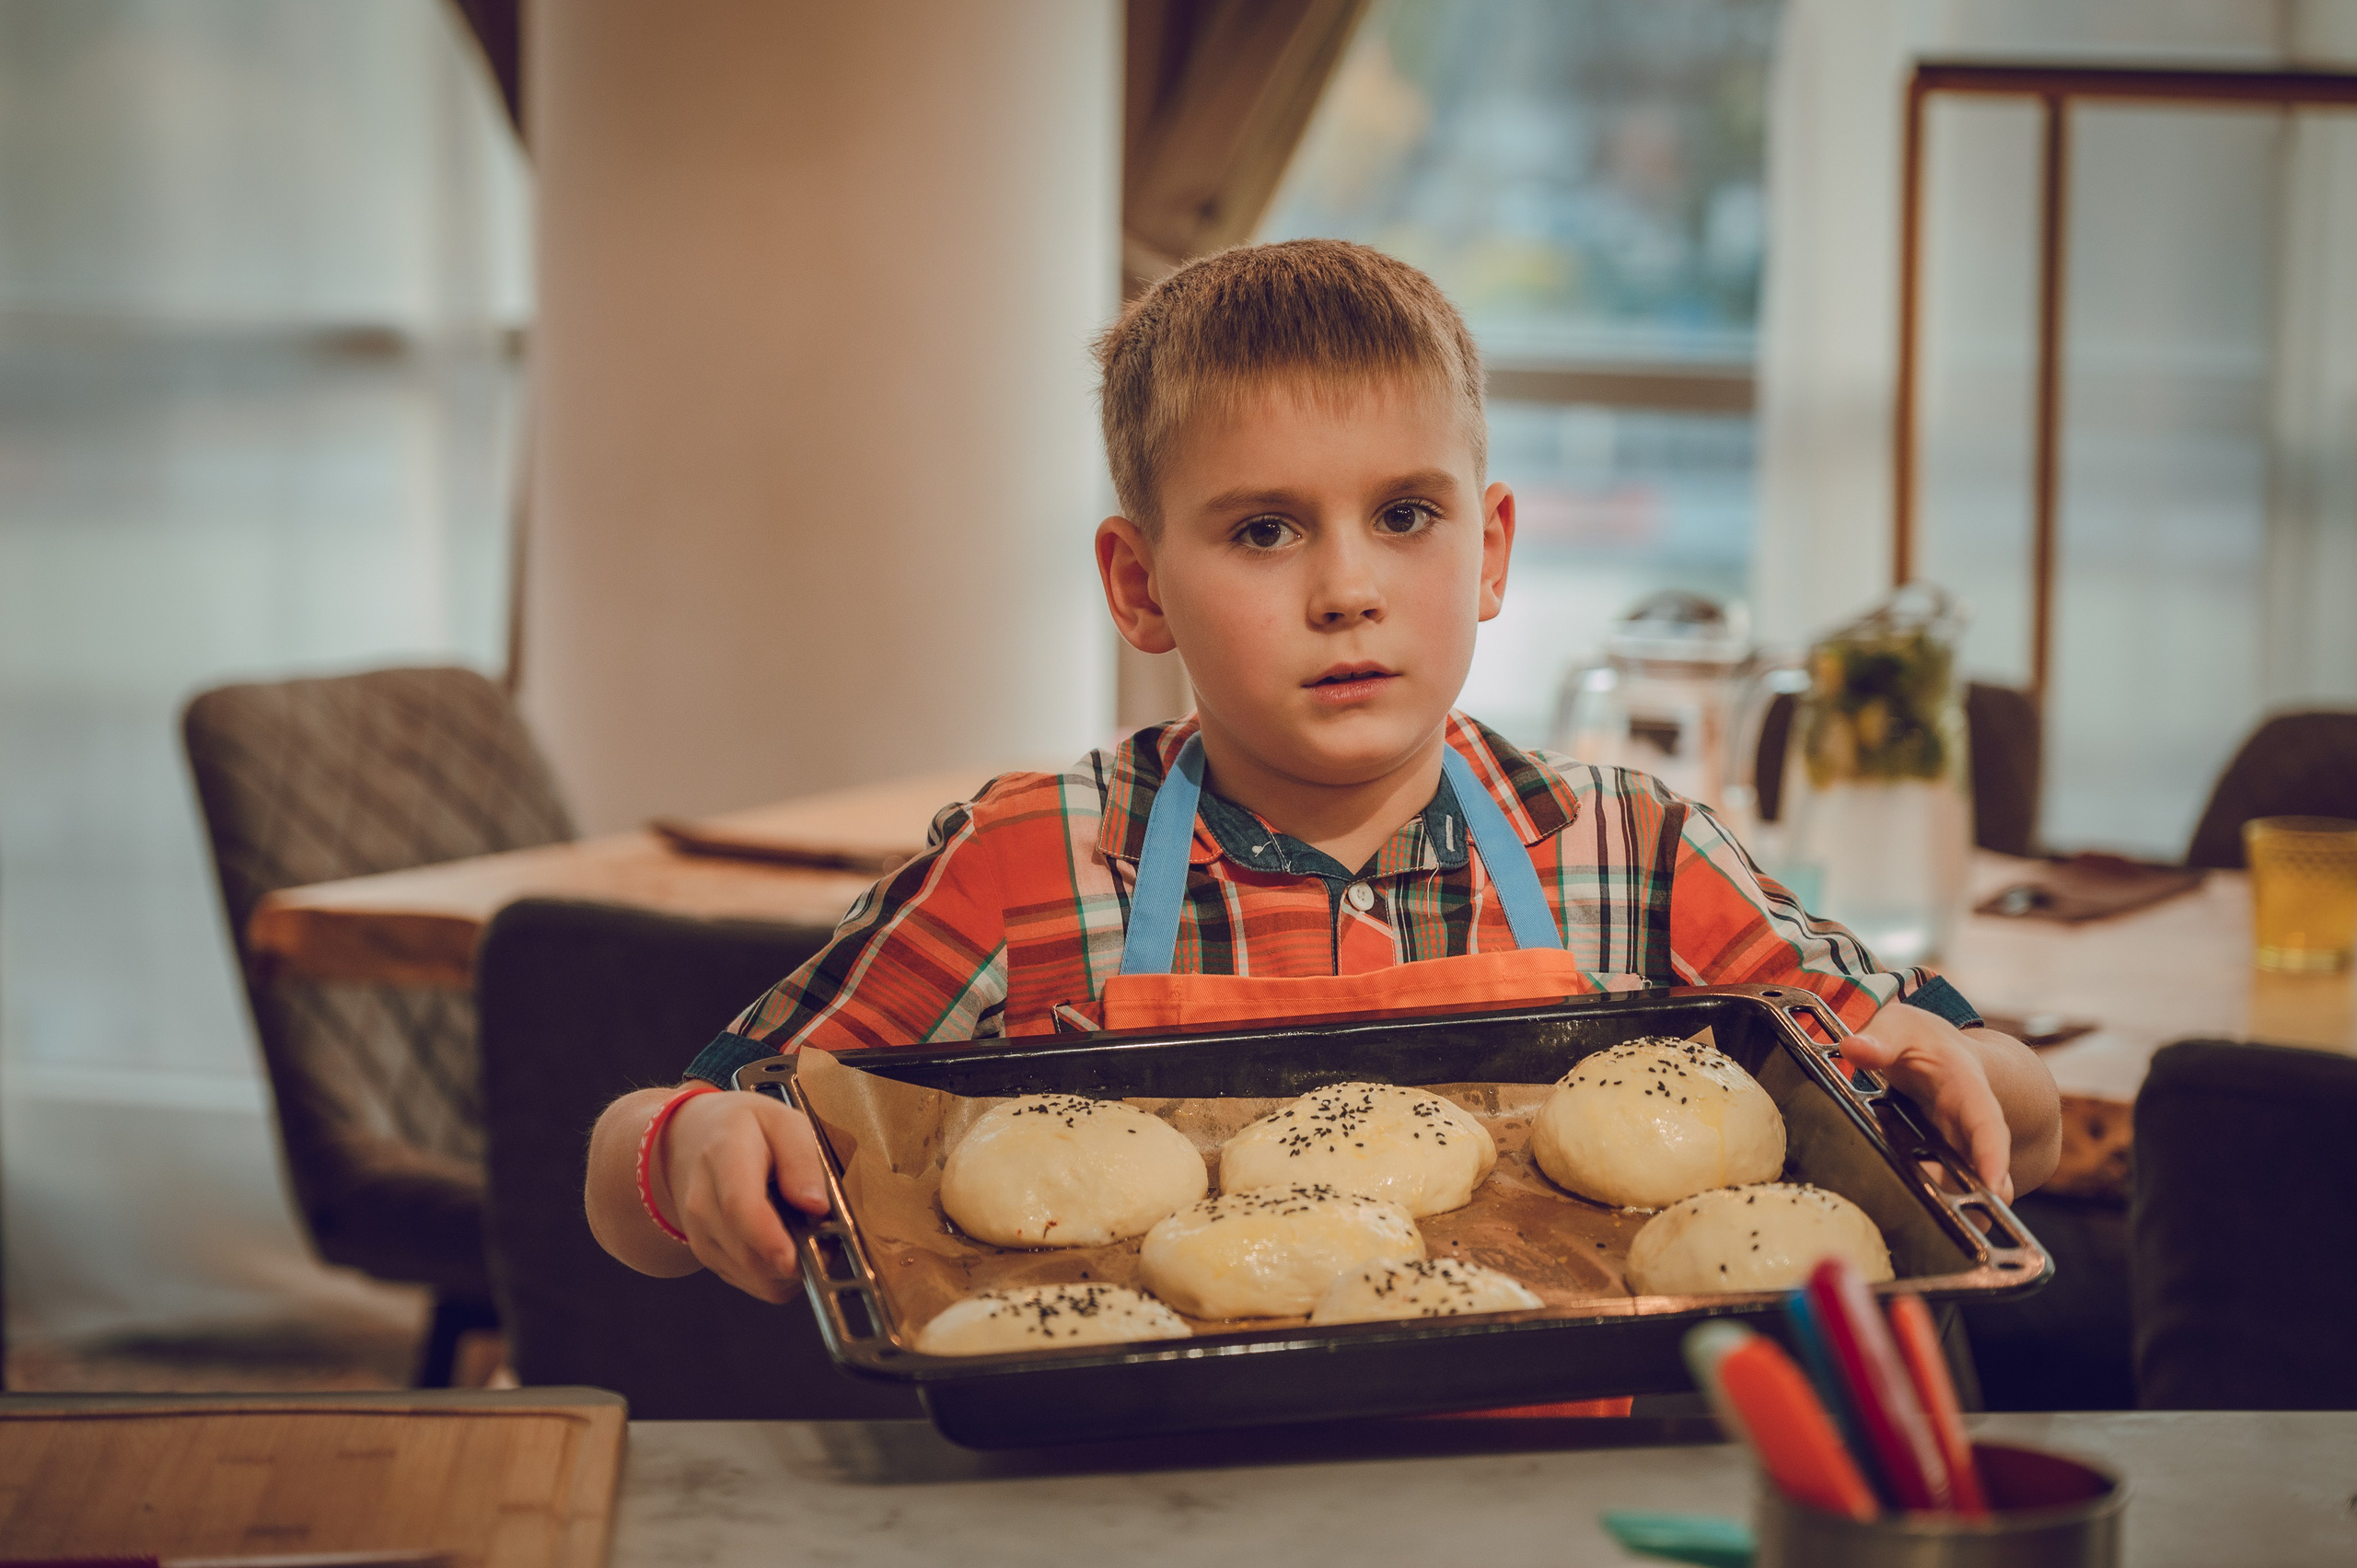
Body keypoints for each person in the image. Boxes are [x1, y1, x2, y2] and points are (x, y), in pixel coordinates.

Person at [584, 238, 2061, 1307]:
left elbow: (1973, 1085)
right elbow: (650, 1170)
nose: (1347, 588)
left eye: (1404, 516)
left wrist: (1982, 1081)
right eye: (1265, 531)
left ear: (1487, 553)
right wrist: (690, 1147)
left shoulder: (1628, 850)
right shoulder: (1033, 866)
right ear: (1139, 584)